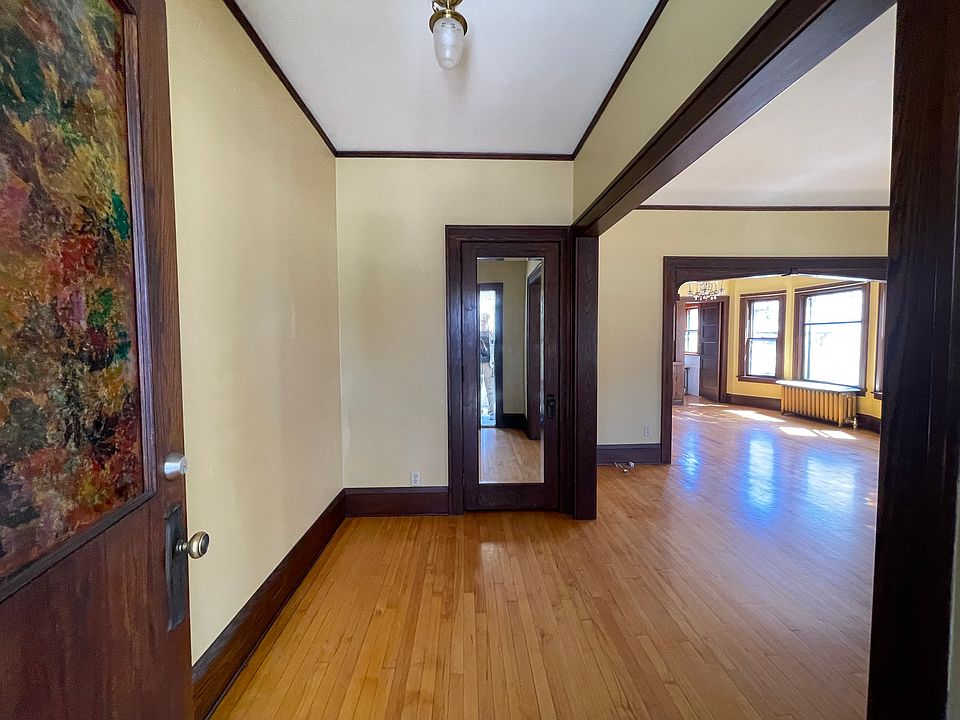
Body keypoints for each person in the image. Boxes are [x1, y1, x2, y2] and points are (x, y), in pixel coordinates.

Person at [479, 313, 495, 421]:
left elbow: (494, 347)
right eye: (481, 321)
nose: (482, 322)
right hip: (478, 363)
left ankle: (491, 409)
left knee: (489, 387)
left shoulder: (490, 334)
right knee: (478, 387)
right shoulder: (476, 332)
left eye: (484, 321)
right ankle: (478, 409)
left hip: (488, 363)